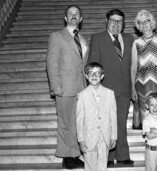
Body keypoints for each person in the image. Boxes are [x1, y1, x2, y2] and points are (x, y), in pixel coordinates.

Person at [88, 9, 134, 167]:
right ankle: (106, 157)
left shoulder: (129, 38)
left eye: (119, 21)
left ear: (124, 23)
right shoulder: (97, 38)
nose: (116, 24)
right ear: (106, 22)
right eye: (113, 21)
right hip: (105, 89)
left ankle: (122, 156)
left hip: (124, 89)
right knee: (106, 124)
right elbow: (93, 65)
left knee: (121, 123)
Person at [46, 5, 88, 169]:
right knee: (65, 122)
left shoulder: (82, 39)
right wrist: (55, 85)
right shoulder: (57, 36)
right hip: (64, 87)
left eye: (77, 14)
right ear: (65, 18)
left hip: (81, 88)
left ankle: (75, 154)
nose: (73, 16)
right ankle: (66, 156)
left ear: (81, 19)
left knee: (78, 123)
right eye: (70, 13)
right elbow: (51, 62)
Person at [131, 10, 157, 130]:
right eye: (140, 22)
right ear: (138, 26)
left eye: (146, 21)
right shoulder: (136, 43)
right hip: (142, 83)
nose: (144, 24)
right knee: (146, 118)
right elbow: (133, 67)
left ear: (152, 22)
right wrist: (132, 87)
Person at [76, 62, 117, 171]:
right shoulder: (82, 95)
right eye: (91, 73)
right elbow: (79, 120)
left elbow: (113, 117)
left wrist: (113, 136)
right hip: (89, 137)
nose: (94, 76)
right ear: (86, 76)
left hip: (104, 136)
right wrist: (81, 139)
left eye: (97, 73)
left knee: (102, 165)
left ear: (102, 76)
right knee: (90, 166)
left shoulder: (110, 94)